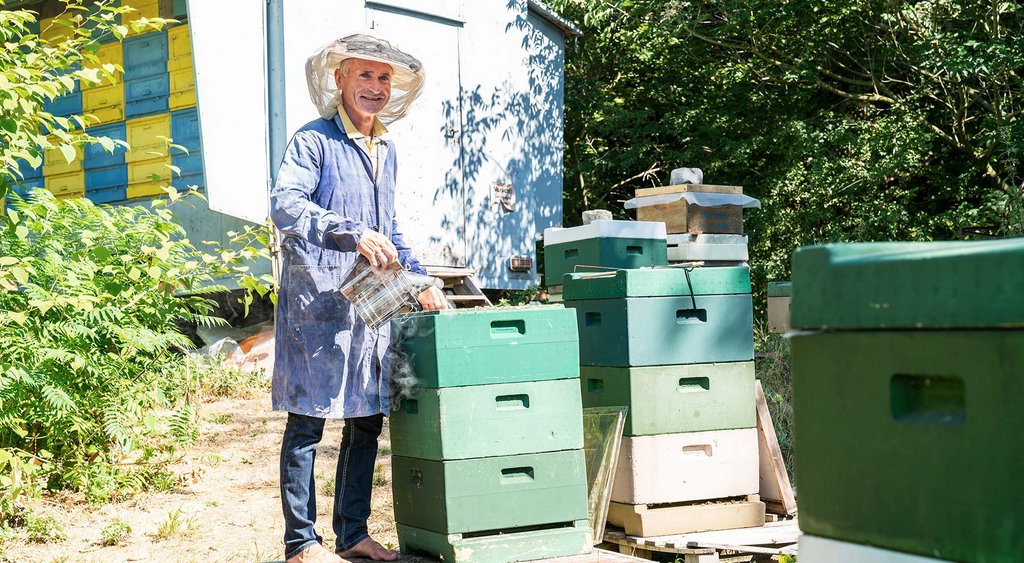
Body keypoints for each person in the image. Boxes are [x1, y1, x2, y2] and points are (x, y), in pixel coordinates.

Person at [269, 34, 447, 563]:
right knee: (308, 422)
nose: (375, 87)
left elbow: (388, 228)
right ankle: (301, 543)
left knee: (367, 419)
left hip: (372, 307)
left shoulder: (385, 149)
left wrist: (421, 279)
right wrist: (347, 233)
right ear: (340, 80)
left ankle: (353, 535)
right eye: (364, 76)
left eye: (384, 78)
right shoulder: (313, 141)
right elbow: (286, 205)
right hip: (318, 306)